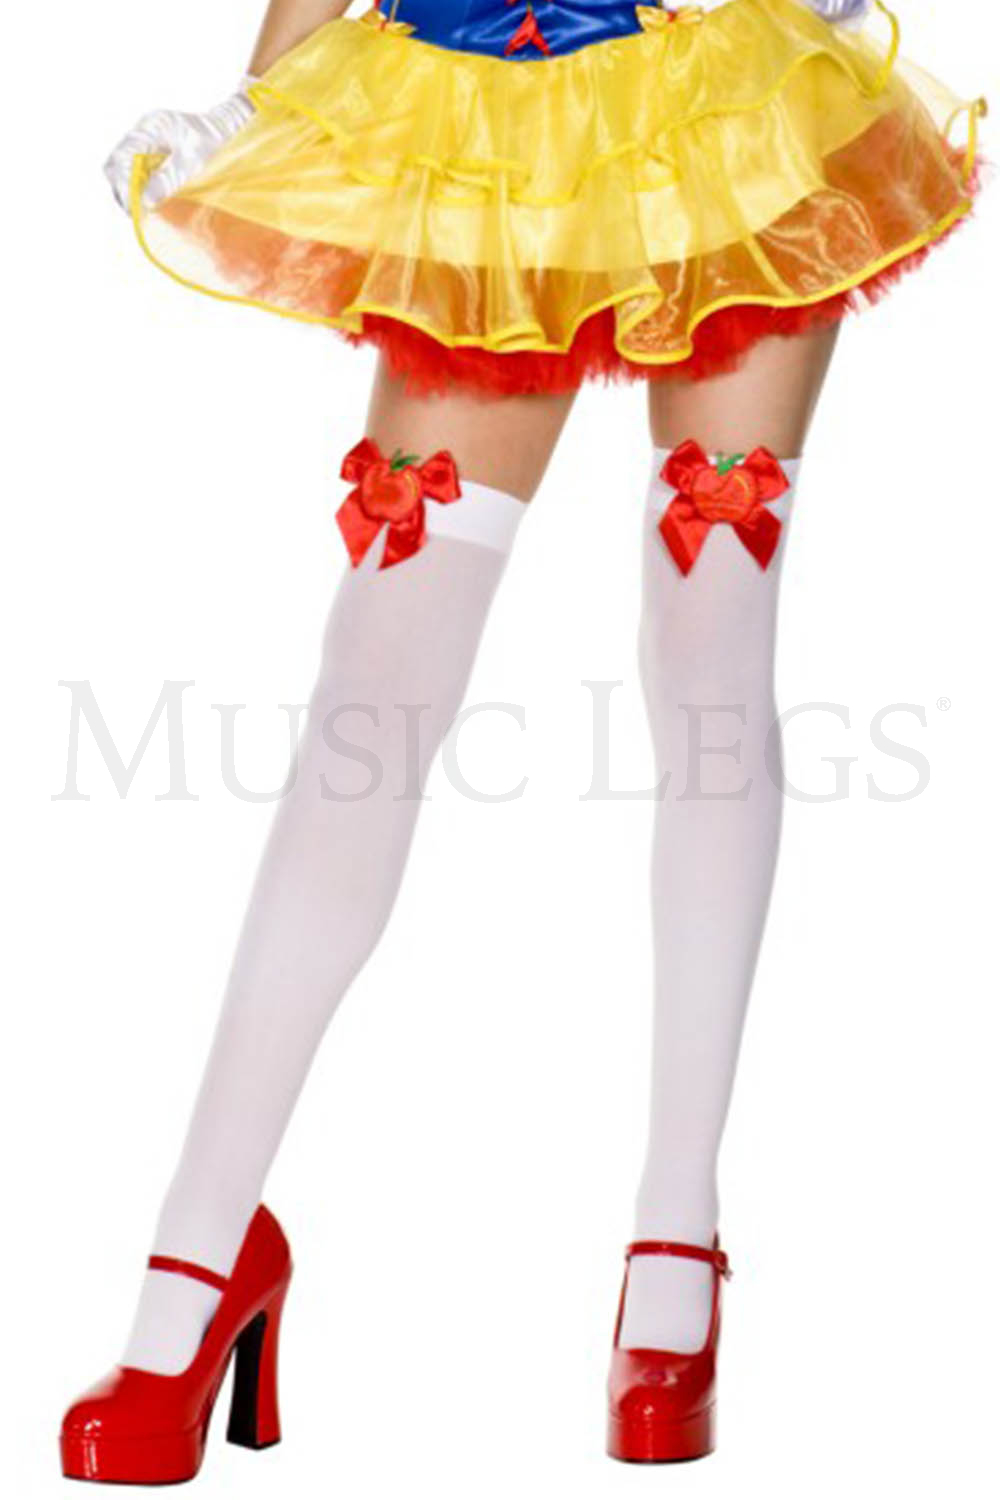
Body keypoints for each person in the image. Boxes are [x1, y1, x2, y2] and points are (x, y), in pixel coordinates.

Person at [60, 0, 984, 1478]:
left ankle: (675, 1252)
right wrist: (252, 108)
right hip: (478, 112)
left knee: (712, 628)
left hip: (728, 84)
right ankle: (198, 1258)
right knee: (379, 676)